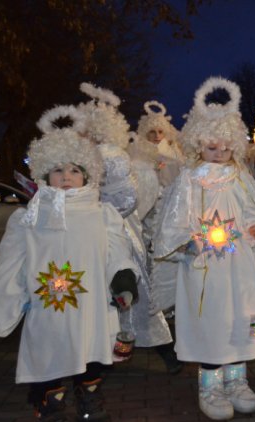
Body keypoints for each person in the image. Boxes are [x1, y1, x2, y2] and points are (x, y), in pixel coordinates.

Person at [0, 105, 138, 422]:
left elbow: (116, 250)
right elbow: (11, 261)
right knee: (48, 351)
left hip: (93, 302)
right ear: (44, 175)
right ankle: (49, 405)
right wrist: (11, 297)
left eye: (74, 169)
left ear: (88, 174)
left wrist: (123, 279)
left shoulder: (102, 214)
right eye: (57, 170)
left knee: (92, 348)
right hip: (47, 303)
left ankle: (89, 398)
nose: (66, 176)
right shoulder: (29, 217)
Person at [153, 77, 255, 421]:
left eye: (226, 147)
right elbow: (174, 225)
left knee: (242, 319)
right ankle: (209, 383)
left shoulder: (241, 178)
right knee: (211, 321)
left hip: (241, 269)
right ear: (198, 146)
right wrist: (189, 241)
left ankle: (237, 379)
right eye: (213, 148)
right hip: (205, 269)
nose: (220, 154)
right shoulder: (189, 181)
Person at [78, 84, 182, 375]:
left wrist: (93, 207)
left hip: (117, 234)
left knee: (135, 293)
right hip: (91, 234)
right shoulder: (85, 157)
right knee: (103, 295)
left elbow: (126, 200)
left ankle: (164, 350)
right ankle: (104, 353)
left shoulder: (111, 156)